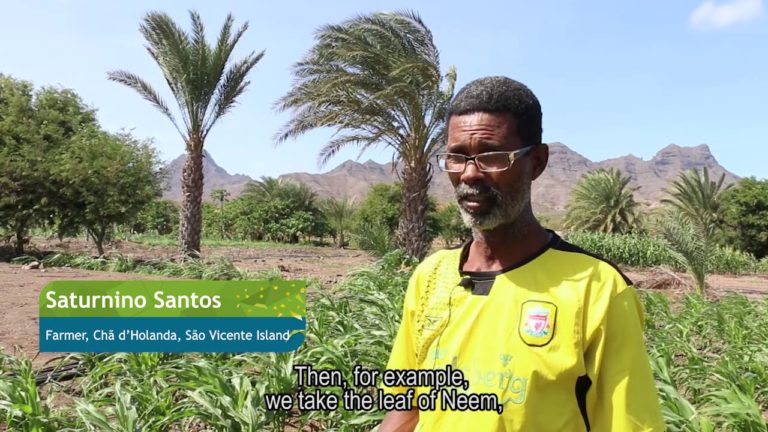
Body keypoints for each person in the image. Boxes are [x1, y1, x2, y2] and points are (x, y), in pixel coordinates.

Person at [378, 76, 664, 431]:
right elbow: (404, 409)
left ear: (537, 162)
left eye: (492, 157)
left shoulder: (598, 289)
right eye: (457, 157)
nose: (470, 174)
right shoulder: (431, 276)